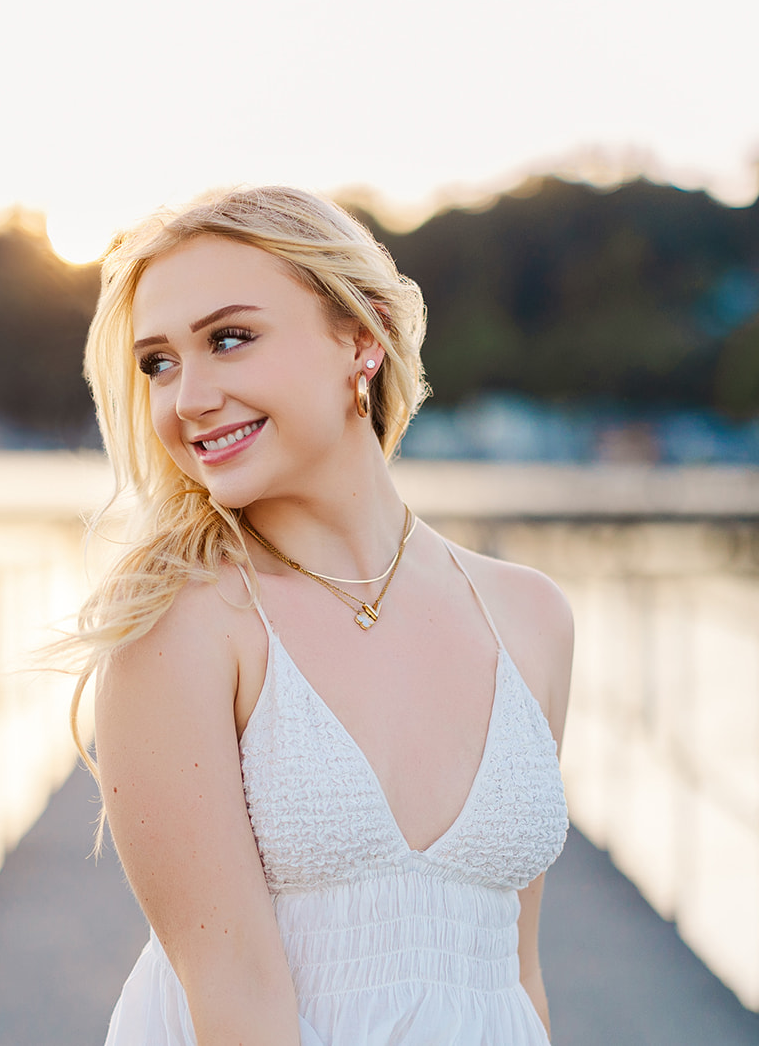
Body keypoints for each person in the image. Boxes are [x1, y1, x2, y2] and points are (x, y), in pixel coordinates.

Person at [67, 186, 572, 1045]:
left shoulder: (529, 615)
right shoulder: (181, 623)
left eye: (230, 338)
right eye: (158, 361)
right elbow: (234, 997)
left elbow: (517, 974)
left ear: (362, 340)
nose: (187, 396)